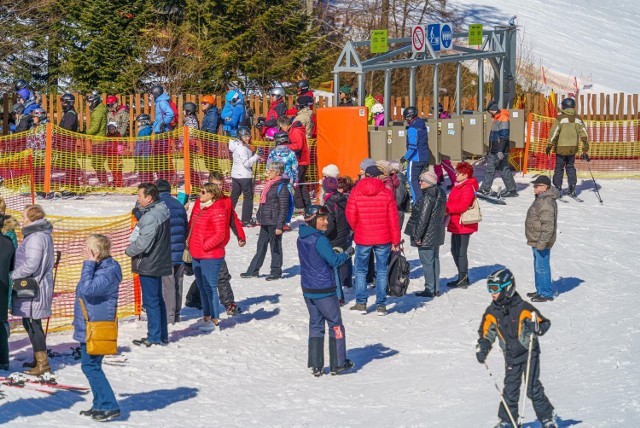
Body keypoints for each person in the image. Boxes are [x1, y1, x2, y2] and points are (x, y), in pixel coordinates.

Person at [476, 268, 557, 428]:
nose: (491, 293)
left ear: (507, 288)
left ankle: (548, 418)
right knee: (511, 389)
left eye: (494, 289)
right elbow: (486, 332)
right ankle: (507, 421)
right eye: (489, 289)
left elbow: (543, 322)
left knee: (532, 388)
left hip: (529, 353)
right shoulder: (492, 311)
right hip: (511, 355)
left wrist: (536, 327)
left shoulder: (523, 308)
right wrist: (484, 346)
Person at [297, 205, 354, 377]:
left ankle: (316, 365)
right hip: (324, 289)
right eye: (322, 219)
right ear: (312, 219)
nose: (326, 222)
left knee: (315, 325)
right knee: (335, 324)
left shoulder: (301, 237)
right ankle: (338, 363)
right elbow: (333, 260)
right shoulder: (319, 240)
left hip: (308, 288)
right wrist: (347, 253)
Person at [73, 234, 121, 422]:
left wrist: (89, 264)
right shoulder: (101, 268)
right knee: (92, 366)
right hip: (90, 323)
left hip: (97, 326)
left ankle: (109, 405)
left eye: (87, 248)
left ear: (96, 253)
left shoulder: (107, 271)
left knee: (90, 366)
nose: (83, 250)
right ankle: (100, 403)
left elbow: (88, 290)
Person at [184, 173, 245, 317]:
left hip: (217, 245)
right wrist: (190, 242)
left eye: (221, 184)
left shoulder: (226, 201)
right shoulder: (202, 201)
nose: (219, 187)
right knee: (221, 275)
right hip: (206, 246)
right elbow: (192, 222)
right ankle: (229, 304)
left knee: (208, 275)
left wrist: (240, 236)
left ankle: (192, 299)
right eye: (216, 185)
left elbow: (233, 219)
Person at [346, 165, 400, 315]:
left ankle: (361, 303)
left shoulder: (356, 192)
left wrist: (358, 228)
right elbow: (393, 220)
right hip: (383, 238)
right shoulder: (386, 193)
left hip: (363, 236)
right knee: (382, 271)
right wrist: (395, 240)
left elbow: (350, 214)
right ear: (377, 177)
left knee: (361, 270)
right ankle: (381, 306)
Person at [125, 183, 172, 347]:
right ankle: (162, 335)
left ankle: (154, 336)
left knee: (151, 301)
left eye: (140, 196)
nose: (137, 199)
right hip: (158, 260)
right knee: (158, 300)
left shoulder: (151, 217)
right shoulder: (161, 209)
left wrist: (129, 251)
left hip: (149, 262)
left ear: (149, 198)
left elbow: (143, 243)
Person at [11, 204, 55, 375]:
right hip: (36, 285)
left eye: (24, 217)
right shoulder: (39, 235)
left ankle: (42, 364)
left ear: (32, 218)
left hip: (33, 287)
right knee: (30, 322)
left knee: (32, 323)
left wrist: (13, 275)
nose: (22, 220)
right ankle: (38, 359)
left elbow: (31, 264)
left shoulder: (36, 237)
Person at [187, 182, 232, 331]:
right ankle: (206, 316)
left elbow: (220, 234)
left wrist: (204, 246)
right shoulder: (199, 207)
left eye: (203, 192)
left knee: (210, 287)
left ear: (211, 194)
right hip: (196, 254)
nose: (200, 194)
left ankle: (214, 319)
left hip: (211, 255)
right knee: (201, 286)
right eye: (200, 191)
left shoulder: (217, 209)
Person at [241, 161, 290, 281]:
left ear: (277, 172)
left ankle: (276, 271)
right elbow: (264, 203)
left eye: (271, 170)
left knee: (275, 247)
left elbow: (284, 208)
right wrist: (259, 215)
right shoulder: (269, 184)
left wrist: (280, 226)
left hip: (275, 222)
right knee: (261, 246)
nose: (268, 172)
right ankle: (253, 270)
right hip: (265, 221)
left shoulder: (281, 187)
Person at [404, 171, 446, 297]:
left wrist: (418, 236)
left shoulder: (428, 197)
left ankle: (429, 288)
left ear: (428, 183)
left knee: (427, 262)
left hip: (427, 235)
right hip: (436, 233)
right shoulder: (440, 193)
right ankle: (435, 288)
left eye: (422, 181)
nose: (420, 183)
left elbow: (423, 219)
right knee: (435, 260)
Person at [155, 180, 188, 324]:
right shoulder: (179, 205)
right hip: (179, 252)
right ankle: (176, 314)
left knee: (167, 287)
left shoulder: (157, 206)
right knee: (178, 284)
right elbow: (186, 228)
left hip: (165, 253)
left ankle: (169, 318)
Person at [546, 97, 590, 197]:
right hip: (572, 148)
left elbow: (554, 133)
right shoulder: (578, 119)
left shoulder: (560, 118)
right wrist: (585, 148)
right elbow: (584, 134)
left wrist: (549, 145)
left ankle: (557, 188)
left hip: (561, 147)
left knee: (559, 168)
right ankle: (572, 187)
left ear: (564, 106)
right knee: (570, 167)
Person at [525, 176, 560, 302]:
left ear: (545, 187)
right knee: (538, 266)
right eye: (534, 185)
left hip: (541, 241)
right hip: (536, 239)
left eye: (537, 185)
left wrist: (542, 242)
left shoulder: (546, 201)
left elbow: (548, 226)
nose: (534, 188)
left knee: (542, 267)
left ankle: (545, 293)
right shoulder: (541, 199)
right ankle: (540, 290)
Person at [446, 161, 479, 288]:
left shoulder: (467, 187)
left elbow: (462, 206)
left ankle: (463, 278)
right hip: (456, 222)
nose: (456, 175)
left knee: (460, 251)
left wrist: (446, 208)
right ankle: (461, 276)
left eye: (458, 173)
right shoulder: (458, 185)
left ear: (465, 175)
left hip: (464, 223)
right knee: (454, 250)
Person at [478, 100, 518, 198]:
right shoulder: (496, 118)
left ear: (492, 110)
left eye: (489, 111)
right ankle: (510, 190)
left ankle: (487, 189)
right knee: (498, 169)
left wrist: (500, 150)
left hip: (499, 150)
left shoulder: (503, 118)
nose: (489, 113)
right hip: (494, 149)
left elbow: (504, 137)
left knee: (496, 169)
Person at [322, 177, 353, 291]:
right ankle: (346, 281)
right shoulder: (342, 198)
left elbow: (329, 222)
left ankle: (339, 285)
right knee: (344, 257)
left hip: (334, 235)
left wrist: (323, 234)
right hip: (344, 231)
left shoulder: (329, 202)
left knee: (335, 260)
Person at [229, 127, 261, 225]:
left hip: (236, 175)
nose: (247, 138)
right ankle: (246, 219)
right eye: (245, 136)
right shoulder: (241, 148)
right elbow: (246, 163)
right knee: (248, 197)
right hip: (244, 176)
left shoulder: (237, 145)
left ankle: (227, 216)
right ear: (240, 136)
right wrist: (256, 156)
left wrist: (255, 155)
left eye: (248, 136)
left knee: (234, 196)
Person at [278, 115, 311, 210]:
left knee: (295, 184)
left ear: (285, 125)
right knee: (301, 184)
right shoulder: (293, 130)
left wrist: (286, 147)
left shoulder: (295, 131)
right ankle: (306, 204)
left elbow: (298, 145)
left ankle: (300, 206)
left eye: (282, 126)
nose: (282, 128)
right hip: (301, 160)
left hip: (300, 161)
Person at [400, 106, 429, 205]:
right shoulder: (422, 125)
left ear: (409, 117)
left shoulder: (413, 129)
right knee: (417, 180)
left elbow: (413, 146)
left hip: (416, 158)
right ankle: (420, 200)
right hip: (424, 157)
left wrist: (405, 157)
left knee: (412, 180)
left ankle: (418, 204)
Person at [0, 214, 15, 371]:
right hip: (3, 286)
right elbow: (12, 266)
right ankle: (3, 361)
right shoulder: (8, 242)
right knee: (1, 323)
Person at [27, 108, 48, 190]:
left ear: (40, 117)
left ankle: (41, 191)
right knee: (34, 172)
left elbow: (48, 143)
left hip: (42, 155)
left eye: (34, 117)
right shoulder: (33, 128)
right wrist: (28, 151)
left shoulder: (46, 128)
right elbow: (29, 140)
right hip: (34, 155)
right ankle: (36, 189)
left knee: (41, 173)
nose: (33, 118)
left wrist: (46, 156)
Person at [389, 160, 409, 230]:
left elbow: (398, 200)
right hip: (395, 211)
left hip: (396, 212)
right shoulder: (393, 179)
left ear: (394, 170)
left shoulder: (399, 181)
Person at [134, 114, 154, 184]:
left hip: (143, 156)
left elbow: (140, 145)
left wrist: (136, 155)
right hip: (148, 155)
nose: (137, 124)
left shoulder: (142, 132)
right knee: (148, 172)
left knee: (143, 173)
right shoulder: (148, 130)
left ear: (143, 122)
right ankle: (150, 185)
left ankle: (144, 187)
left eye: (139, 122)